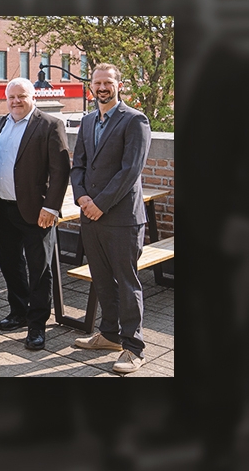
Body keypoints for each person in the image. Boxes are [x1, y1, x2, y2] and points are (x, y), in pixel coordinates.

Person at [71, 63, 151, 373]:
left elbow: (130, 170)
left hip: (121, 219)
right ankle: (110, 335)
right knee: (102, 280)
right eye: (97, 82)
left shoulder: (135, 120)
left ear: (118, 85)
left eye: (108, 82)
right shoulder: (88, 120)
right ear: (90, 86)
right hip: (90, 215)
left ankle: (133, 348)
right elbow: (78, 165)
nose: (102, 87)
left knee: (126, 283)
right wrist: (81, 198)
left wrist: (100, 203)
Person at [0, 77, 70, 350]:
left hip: (37, 211)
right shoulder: (0, 124)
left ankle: (38, 325)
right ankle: (19, 311)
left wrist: (51, 207)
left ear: (32, 97)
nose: (15, 101)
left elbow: (61, 171)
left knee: (40, 269)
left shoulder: (49, 125)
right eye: (11, 96)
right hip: (2, 207)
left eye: (21, 96)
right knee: (9, 263)